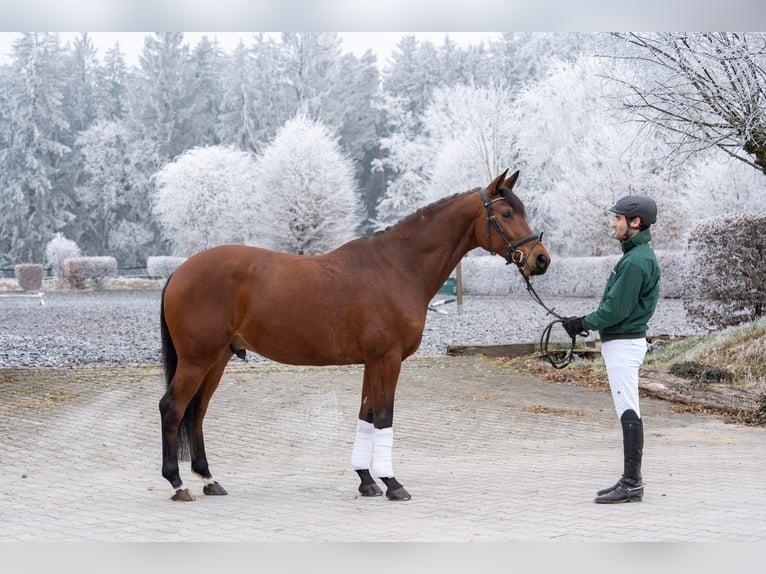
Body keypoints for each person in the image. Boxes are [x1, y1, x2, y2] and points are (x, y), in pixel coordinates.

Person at [562, 195, 660, 504]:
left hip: (624, 344)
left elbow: (616, 309)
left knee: (628, 410)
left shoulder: (636, 261)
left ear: (635, 222)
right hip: (622, 343)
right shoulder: (636, 256)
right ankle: (630, 480)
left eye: (618, 218)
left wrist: (582, 323)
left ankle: (632, 482)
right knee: (626, 409)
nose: (613, 223)